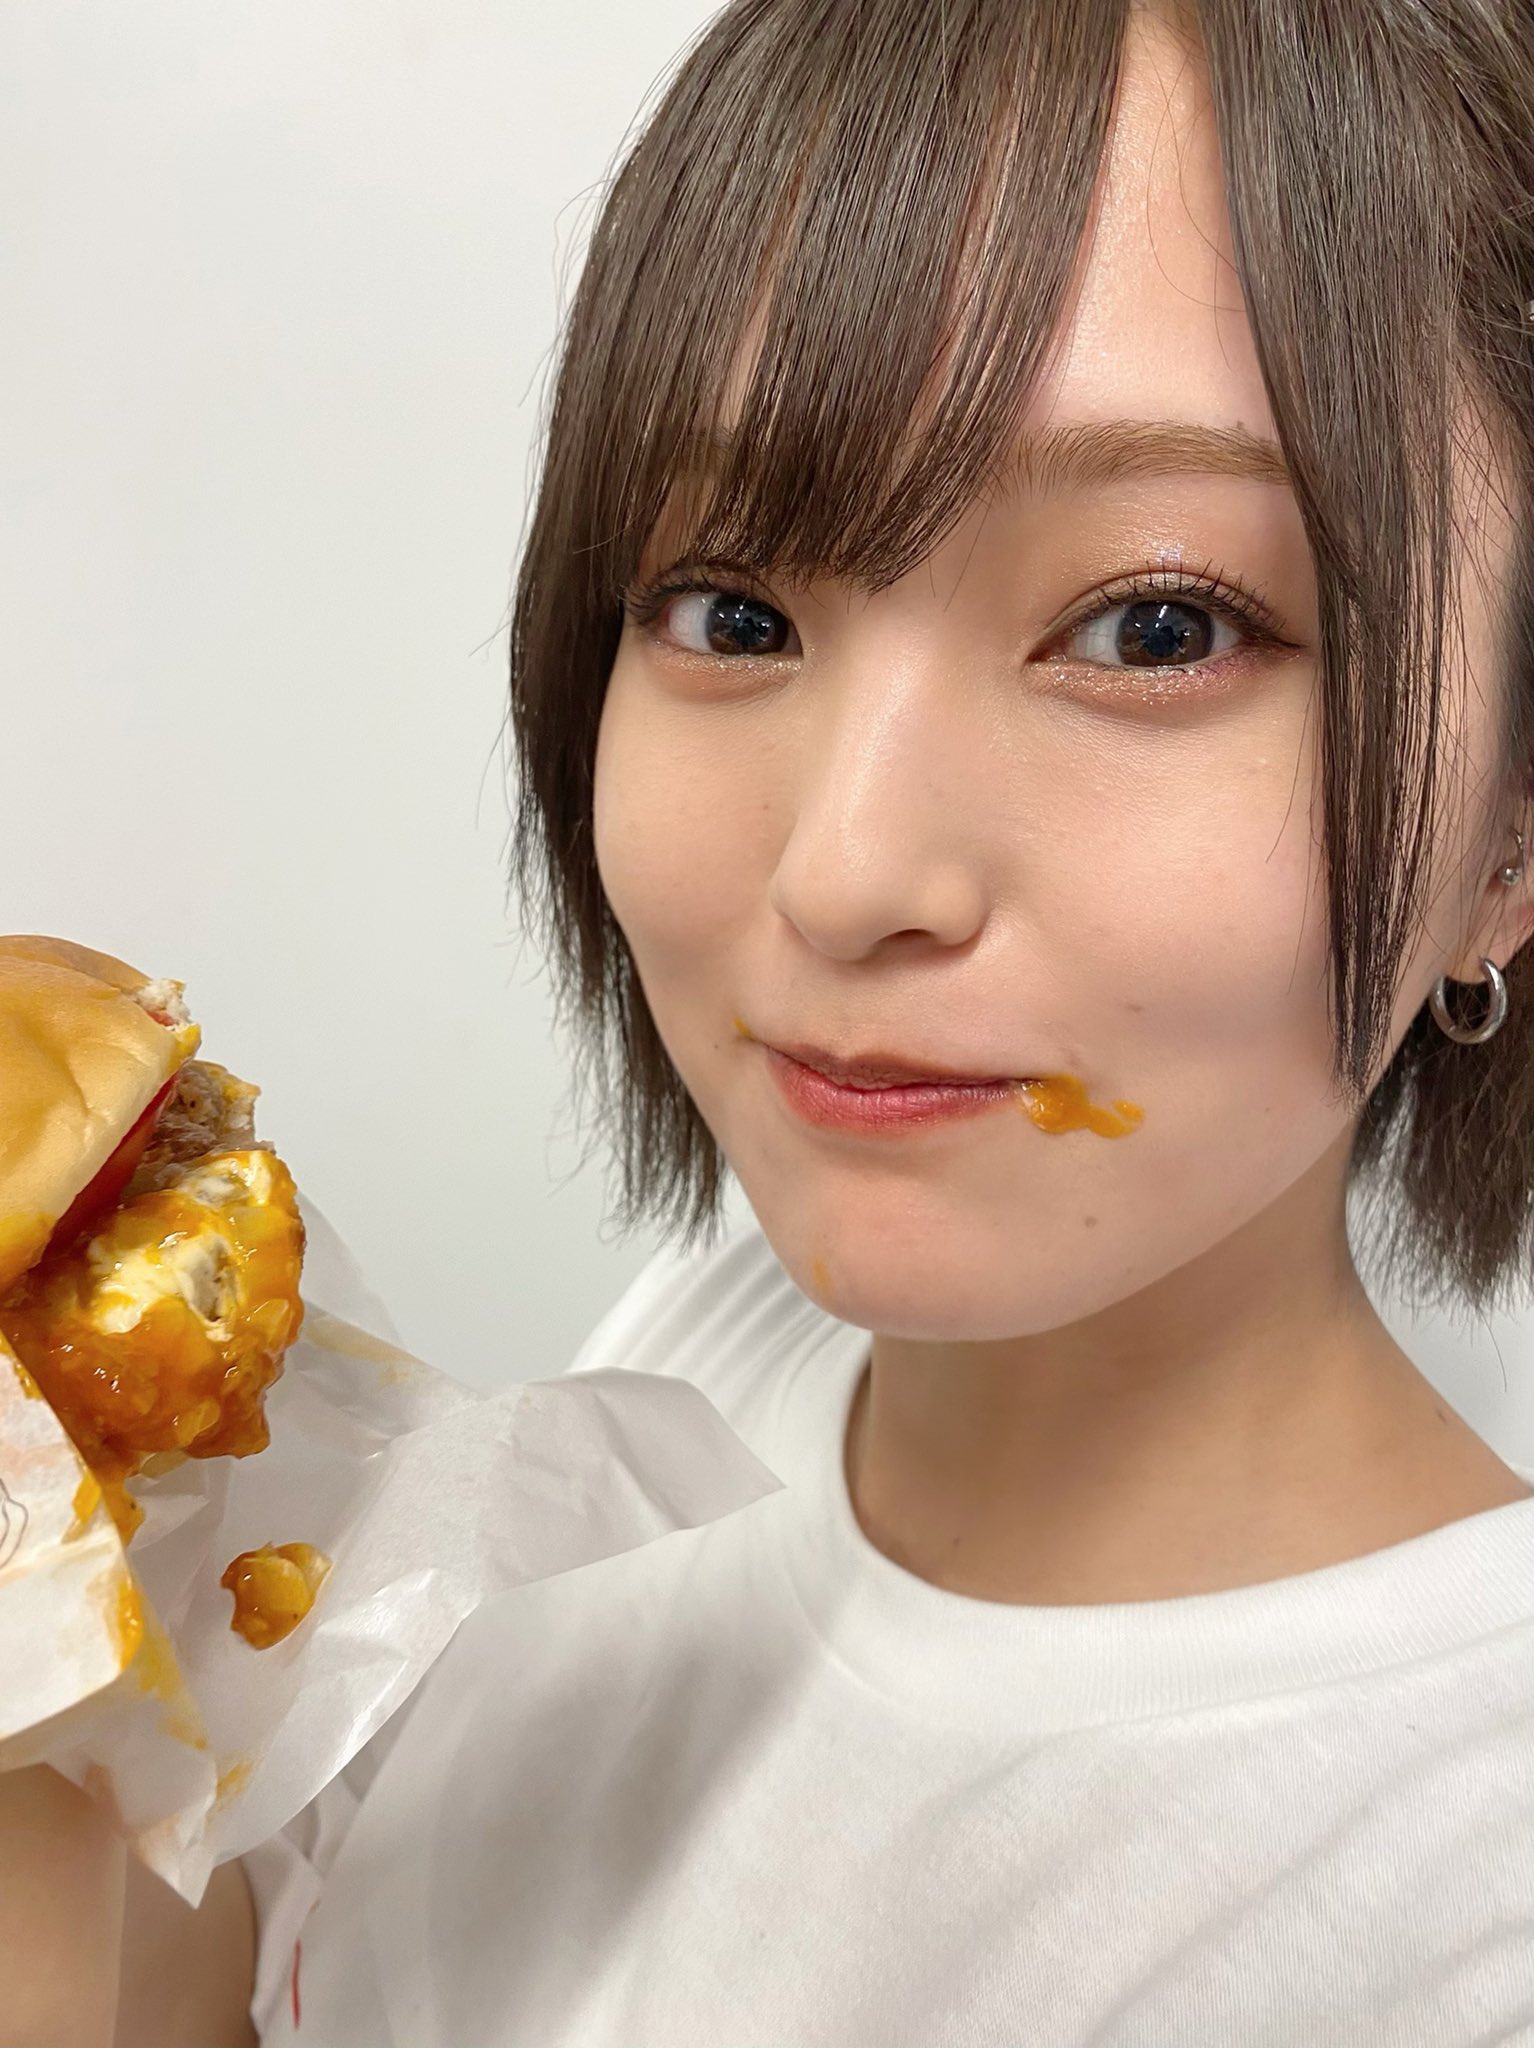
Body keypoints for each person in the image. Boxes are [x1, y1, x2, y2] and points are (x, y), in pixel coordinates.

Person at [101, 0, 1534, 2040]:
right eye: (734, 613)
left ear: (1507, 827)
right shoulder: (701, 1366)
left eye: (1155, 625)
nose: (842, 872)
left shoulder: (1465, 1905)